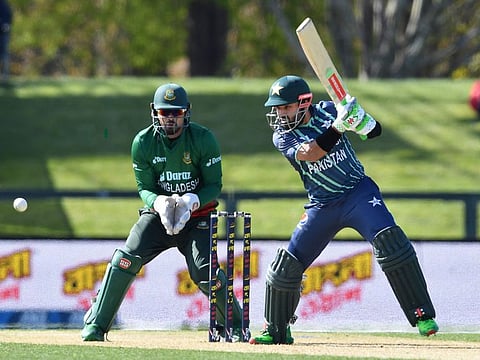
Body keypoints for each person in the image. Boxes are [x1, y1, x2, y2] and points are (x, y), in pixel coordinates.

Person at [249, 75, 439, 345]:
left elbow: (374, 132)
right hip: (322, 204)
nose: (280, 113)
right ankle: (276, 329)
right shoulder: (282, 136)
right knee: (286, 266)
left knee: (391, 242)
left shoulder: (329, 109)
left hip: (358, 193)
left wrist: (360, 118)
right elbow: (312, 153)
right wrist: (339, 126)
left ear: (304, 103)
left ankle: (422, 316)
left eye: (286, 107)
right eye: (277, 108)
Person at [81, 83, 245, 342]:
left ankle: (236, 324)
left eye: (176, 113)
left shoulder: (203, 139)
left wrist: (191, 201)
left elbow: (214, 185)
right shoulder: (143, 142)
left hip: (197, 217)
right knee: (125, 258)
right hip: (159, 217)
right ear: (154, 112)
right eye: (164, 113)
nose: (170, 119)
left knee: (205, 272)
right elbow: (143, 187)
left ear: (186, 112)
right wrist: (158, 203)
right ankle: (97, 324)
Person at [0, 0, 12, 82]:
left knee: (4, 55)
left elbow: (8, 18)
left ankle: (5, 76)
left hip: (3, 33)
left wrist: (5, 25)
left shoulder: (3, 4)